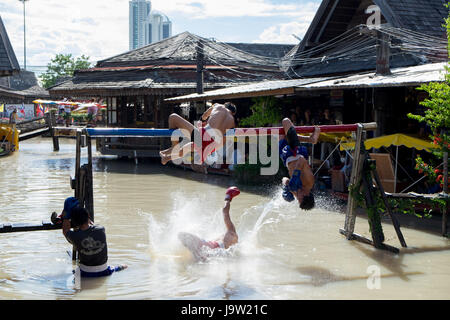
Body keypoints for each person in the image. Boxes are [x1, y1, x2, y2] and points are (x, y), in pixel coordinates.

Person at [56, 197, 127, 278]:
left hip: (85, 273)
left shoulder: (75, 237)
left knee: (74, 273)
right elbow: (91, 224)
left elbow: (65, 230)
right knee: (124, 266)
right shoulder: (101, 229)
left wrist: (66, 216)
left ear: (74, 223)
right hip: (104, 271)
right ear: (88, 217)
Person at [160, 102, 236, 166]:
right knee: (186, 149)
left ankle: (174, 146)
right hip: (211, 145)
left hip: (202, 136)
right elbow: (224, 140)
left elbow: (205, 115)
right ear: (233, 113)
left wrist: (202, 120)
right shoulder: (232, 122)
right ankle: (166, 158)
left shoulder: (218, 105)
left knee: (173, 117)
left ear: (225, 105)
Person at [178, 187, 240, 261]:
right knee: (183, 236)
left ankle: (199, 255)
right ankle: (199, 255)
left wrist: (228, 197)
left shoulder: (231, 232)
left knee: (182, 235)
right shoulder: (231, 240)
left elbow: (225, 211)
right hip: (211, 251)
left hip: (210, 249)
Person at [279, 117, 320, 210]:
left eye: (298, 200)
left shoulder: (297, 192)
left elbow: (285, 179)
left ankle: (311, 139)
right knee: (285, 121)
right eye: (300, 198)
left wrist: (285, 186)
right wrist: (295, 176)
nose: (297, 197)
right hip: (295, 152)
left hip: (285, 158)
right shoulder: (309, 181)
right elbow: (302, 160)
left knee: (280, 133)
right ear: (307, 194)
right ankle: (311, 140)